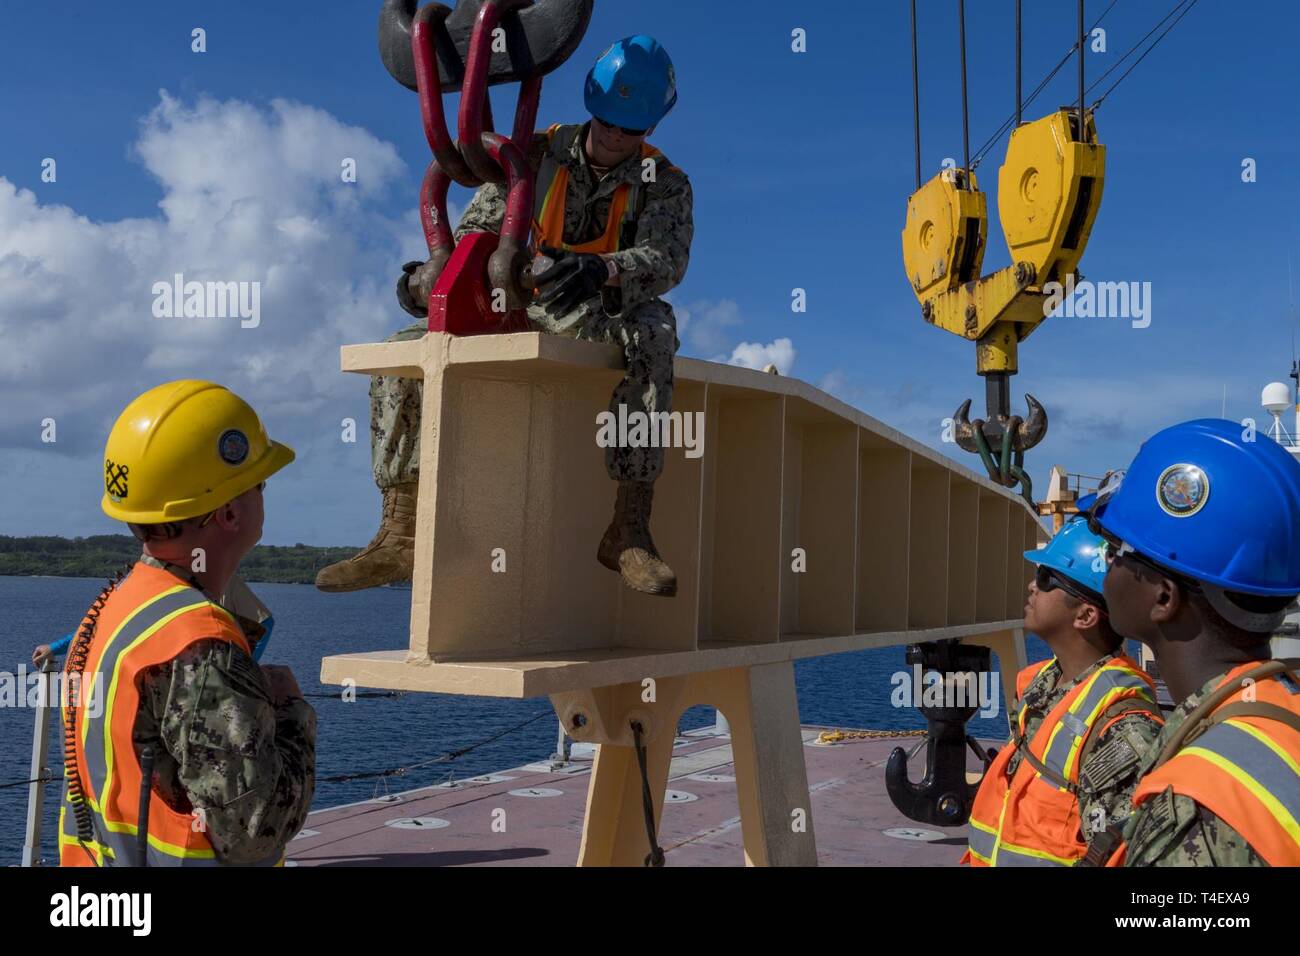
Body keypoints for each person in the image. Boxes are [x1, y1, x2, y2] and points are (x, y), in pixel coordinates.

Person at [316, 35, 693, 598]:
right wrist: (433, 277)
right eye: (606, 121)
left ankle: (629, 528)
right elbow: (477, 231)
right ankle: (401, 532)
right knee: (402, 353)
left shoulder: (664, 183)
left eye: (630, 129)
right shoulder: (533, 155)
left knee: (655, 334)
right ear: (592, 108)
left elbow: (666, 259)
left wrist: (602, 271)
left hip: (598, 310)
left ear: (651, 129)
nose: (615, 136)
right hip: (516, 299)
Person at [59, 380, 315, 867]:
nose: (265, 495)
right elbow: (256, 832)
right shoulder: (200, 643)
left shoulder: (118, 608)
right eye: (260, 483)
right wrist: (291, 713)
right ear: (230, 513)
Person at [1078, 419, 1300, 867]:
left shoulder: (1196, 807)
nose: (1105, 565)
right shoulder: (1282, 712)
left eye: (1117, 550)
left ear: (1163, 597)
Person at [962, 516, 1163, 866]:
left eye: (1045, 578)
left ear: (1085, 615)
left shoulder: (1122, 730)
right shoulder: (1041, 685)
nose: (1032, 586)